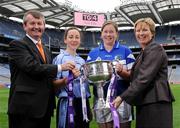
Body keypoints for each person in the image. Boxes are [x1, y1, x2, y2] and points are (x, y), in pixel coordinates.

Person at [8, 10, 75, 128]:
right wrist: (61, 67)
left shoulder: (46, 50)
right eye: (32, 23)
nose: (36, 27)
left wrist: (66, 80)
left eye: (39, 24)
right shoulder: (17, 45)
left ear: (44, 26)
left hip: (45, 109)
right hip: (25, 109)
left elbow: (48, 78)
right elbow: (32, 67)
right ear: (24, 26)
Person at [112, 17, 175, 128]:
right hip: (146, 102)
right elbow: (134, 77)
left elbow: (143, 79)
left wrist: (121, 97)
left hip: (155, 103)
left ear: (152, 33)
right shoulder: (144, 52)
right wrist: (121, 71)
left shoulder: (155, 49)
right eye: (138, 30)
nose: (141, 33)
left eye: (145, 30)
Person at [86, 20, 135, 128]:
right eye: (106, 31)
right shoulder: (93, 54)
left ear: (116, 34)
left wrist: (122, 72)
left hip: (123, 99)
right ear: (101, 33)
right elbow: (88, 78)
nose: (108, 34)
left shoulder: (126, 51)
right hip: (101, 100)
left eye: (111, 32)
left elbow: (133, 77)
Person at [53, 27, 92, 128]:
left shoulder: (82, 61)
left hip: (83, 103)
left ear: (80, 40)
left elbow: (86, 84)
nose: (74, 40)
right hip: (67, 102)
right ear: (65, 40)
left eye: (77, 37)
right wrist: (69, 79)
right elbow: (53, 84)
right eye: (71, 37)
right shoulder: (59, 58)